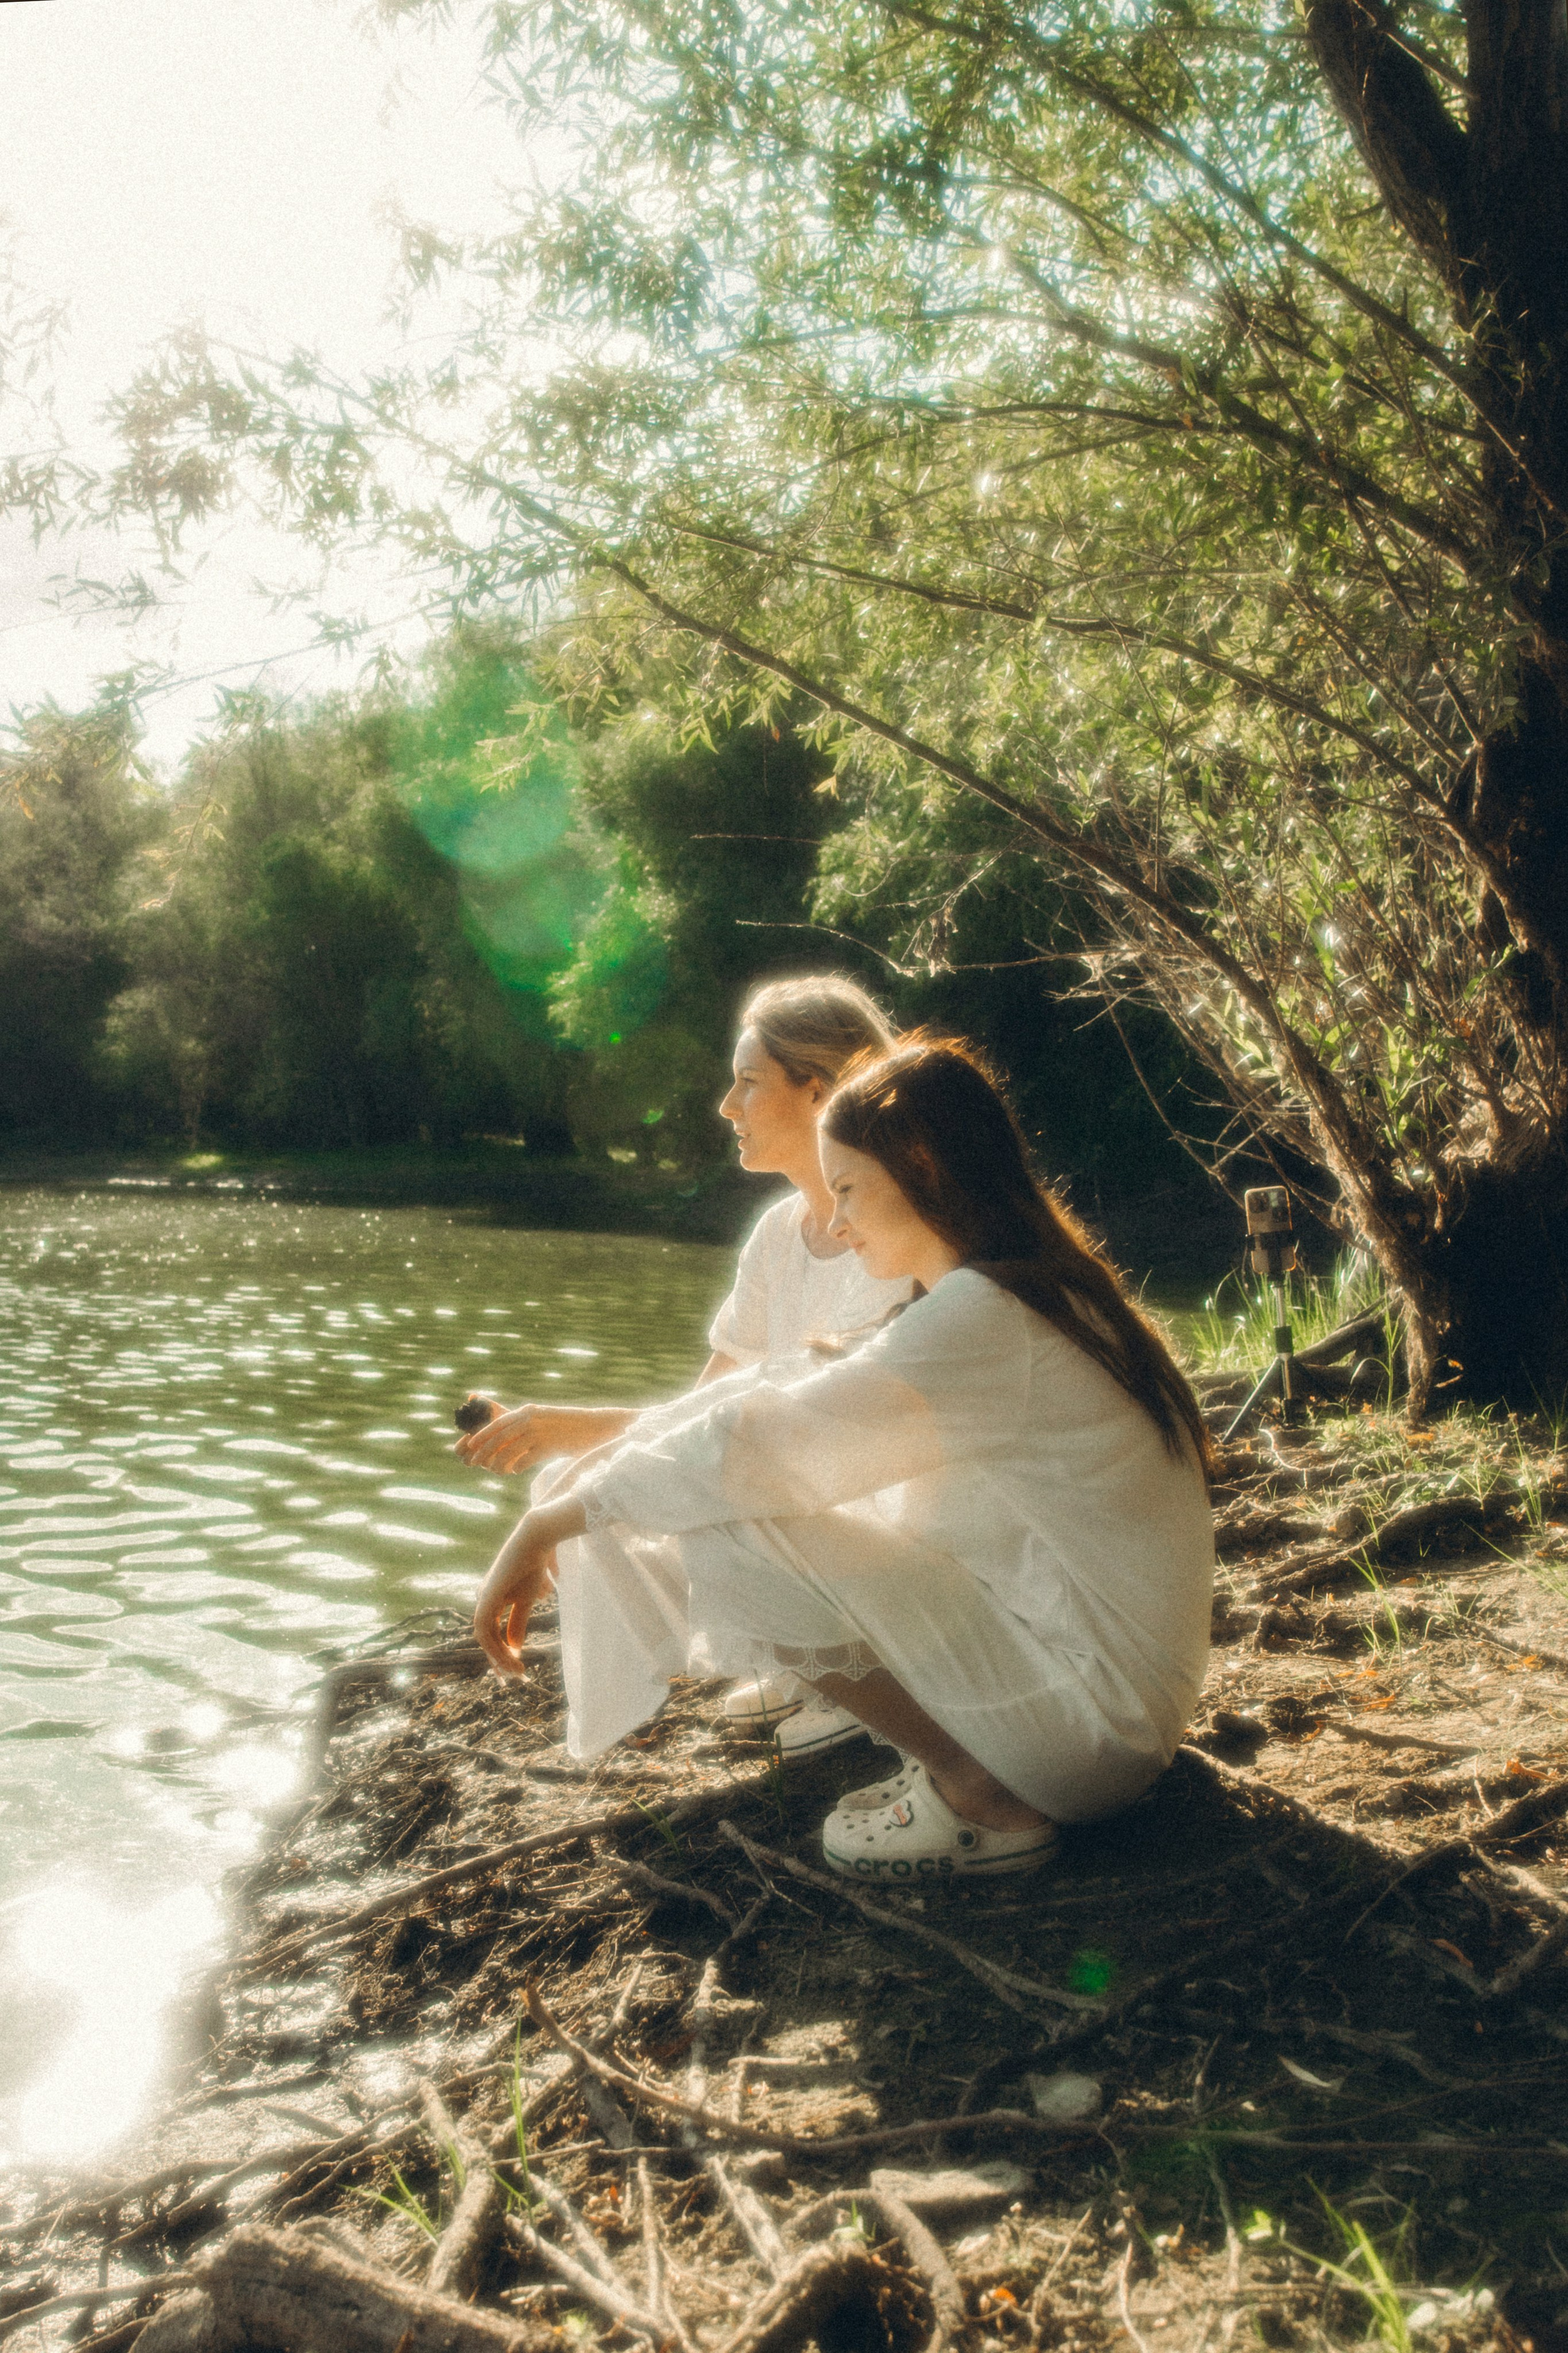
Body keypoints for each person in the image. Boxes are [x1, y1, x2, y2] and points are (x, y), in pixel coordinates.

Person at [471, 1039, 1216, 1878]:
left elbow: (763, 1443)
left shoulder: (989, 1316)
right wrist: (592, 1474)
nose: (834, 1222)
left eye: (850, 1190)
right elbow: (781, 1386)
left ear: (922, 1165)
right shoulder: (1017, 1292)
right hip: (1108, 1714)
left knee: (734, 1521)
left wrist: (549, 1522)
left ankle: (981, 1793)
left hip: (1091, 1734)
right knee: (736, 1487)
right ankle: (980, 1762)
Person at [456, 974, 914, 1751]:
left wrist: (573, 1465)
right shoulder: (778, 1233)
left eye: (748, 1082)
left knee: (638, 1498)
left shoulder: (891, 1228)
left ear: (817, 1090)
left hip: (884, 1514)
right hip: (790, 1484)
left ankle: (866, 1664)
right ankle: (805, 1656)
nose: (727, 1106)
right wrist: (564, 1446)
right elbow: (707, 1408)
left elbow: (780, 1431)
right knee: (567, 1485)